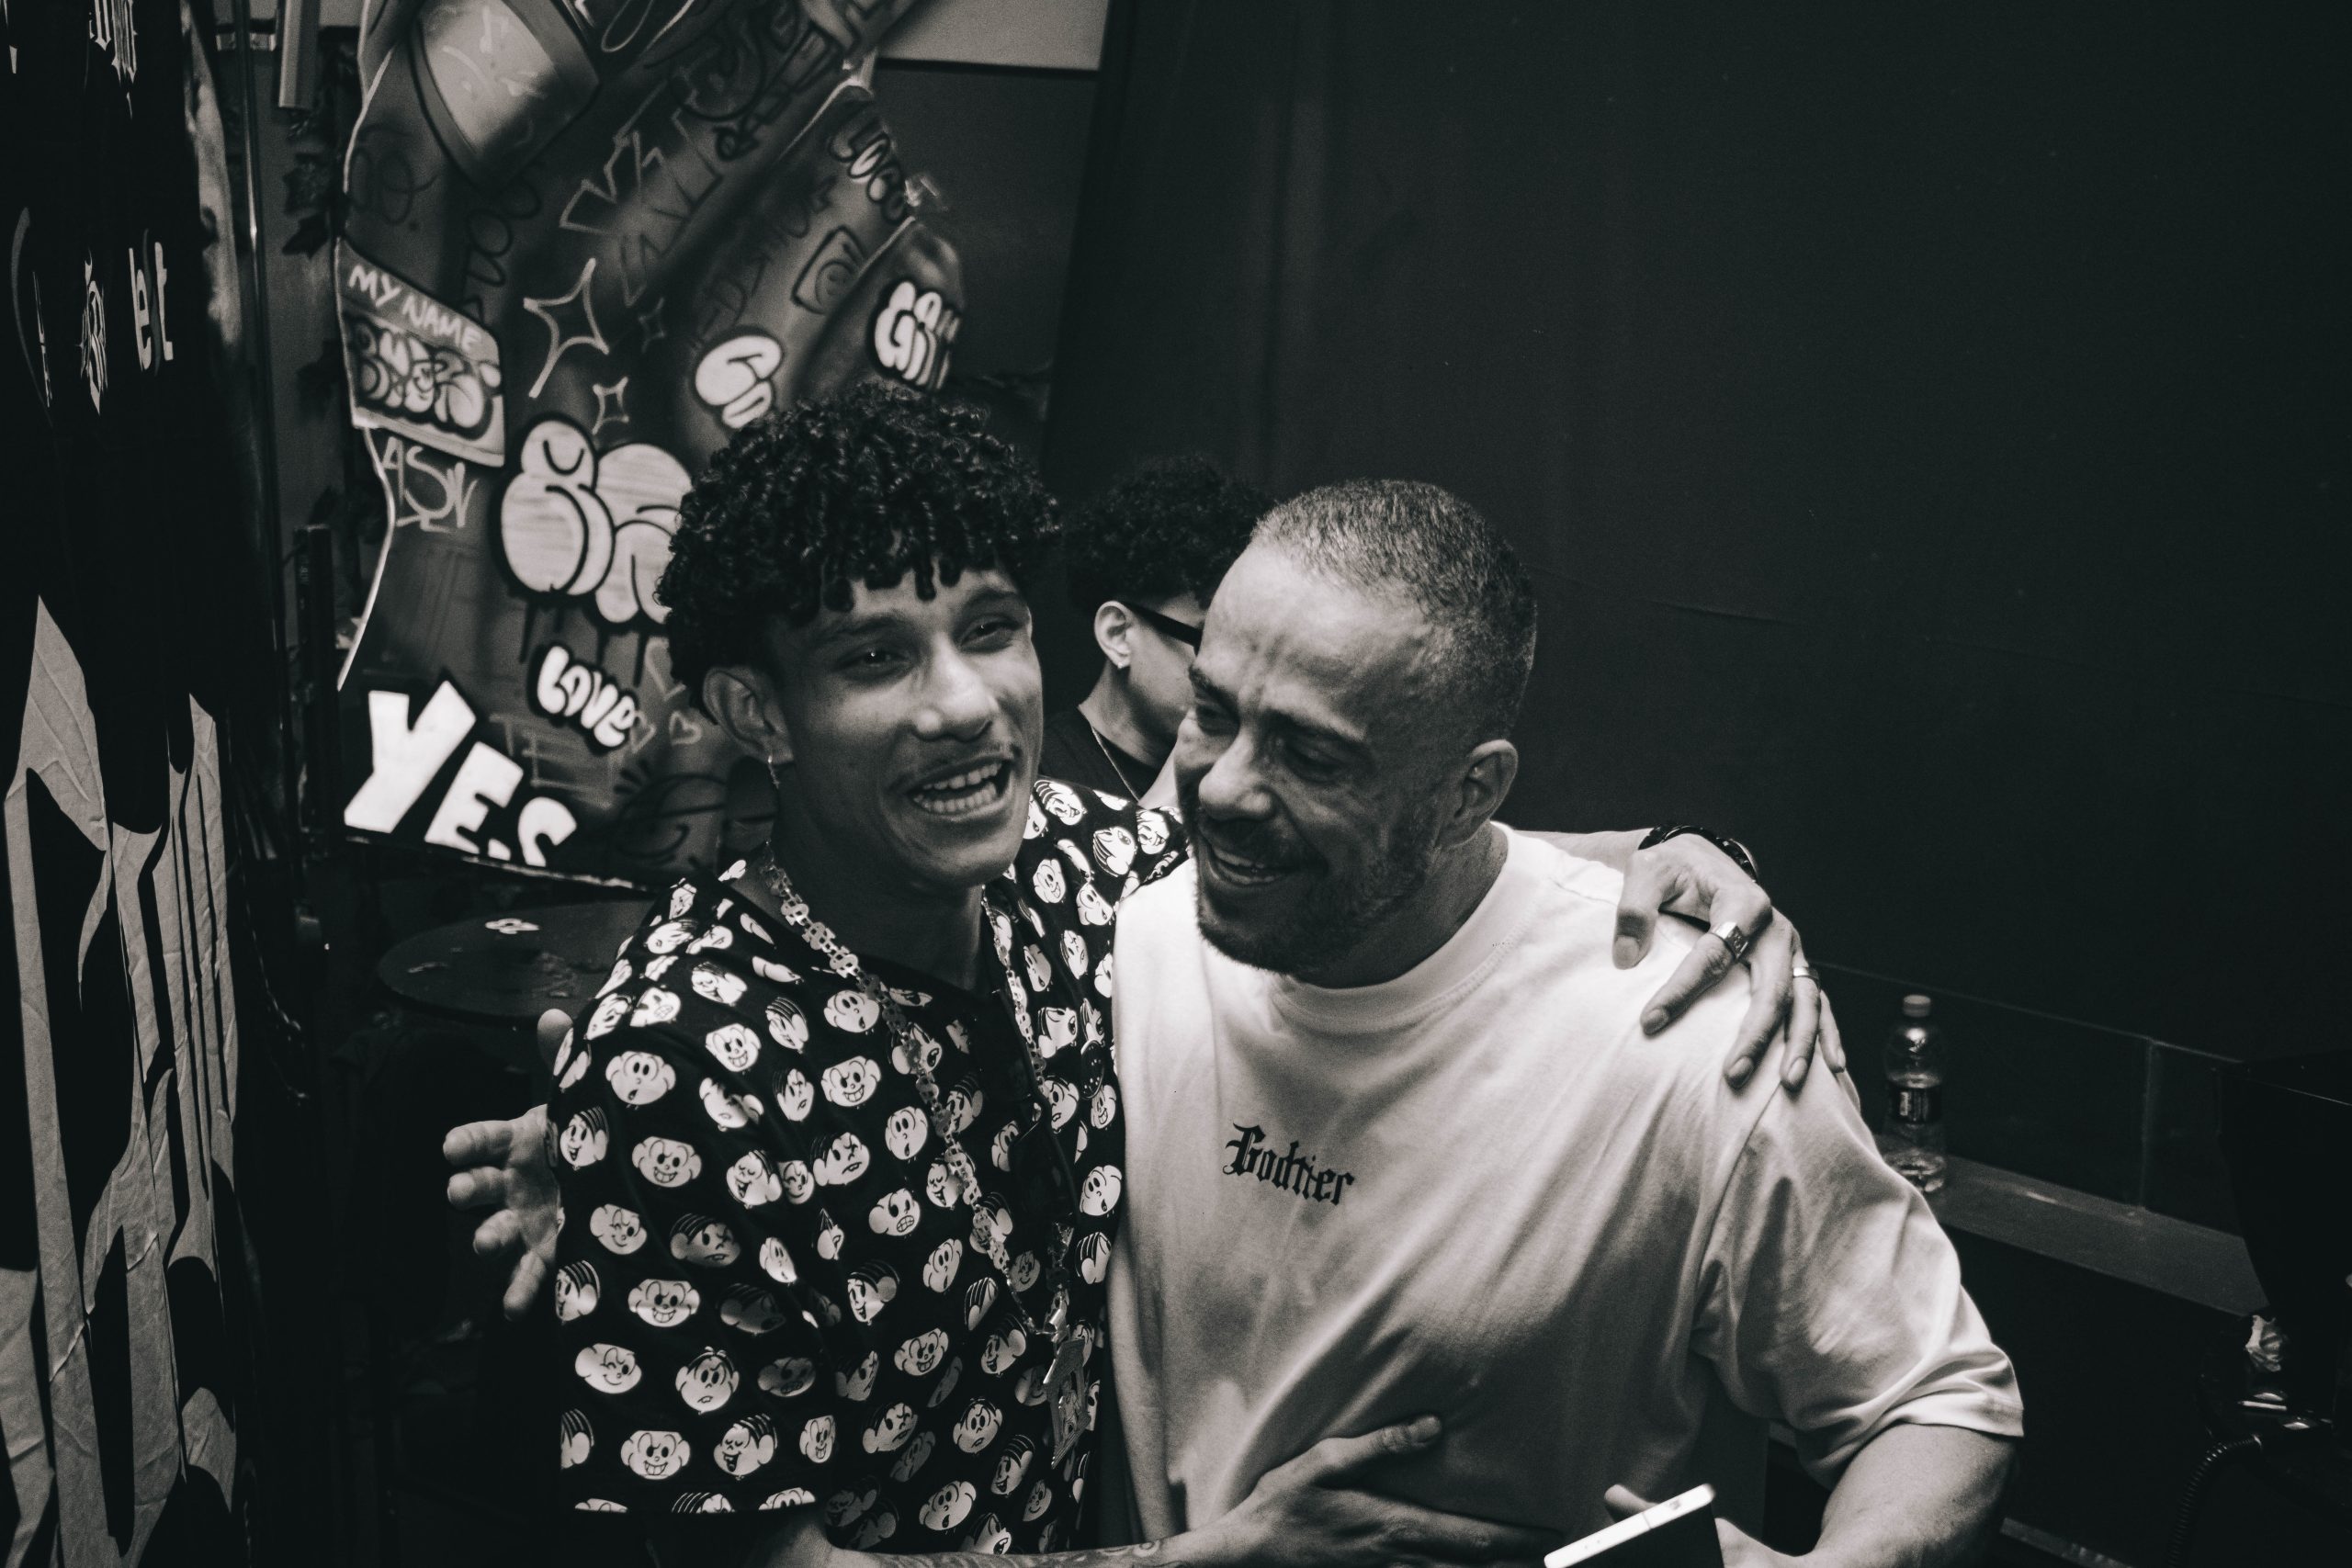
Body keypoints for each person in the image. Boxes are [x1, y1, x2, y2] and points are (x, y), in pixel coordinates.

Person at [447, 386, 1836, 1566]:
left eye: (989, 626)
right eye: (872, 658)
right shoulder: (682, 1067)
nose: (964, 703)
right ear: (757, 710)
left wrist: (1670, 856)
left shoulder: (1064, 868)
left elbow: (1340, 840)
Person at [1101, 480, 2020, 1567]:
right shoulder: (1131, 932)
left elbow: (1935, 1400)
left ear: (1467, 795)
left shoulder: (1683, 1034)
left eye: (1311, 757)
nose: (1221, 790)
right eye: (1212, 713)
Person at [1038, 457, 1268, 800]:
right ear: (1118, 635)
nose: (1237, 674)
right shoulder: (1038, 773)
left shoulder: (1241, 776)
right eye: (1209, 639)